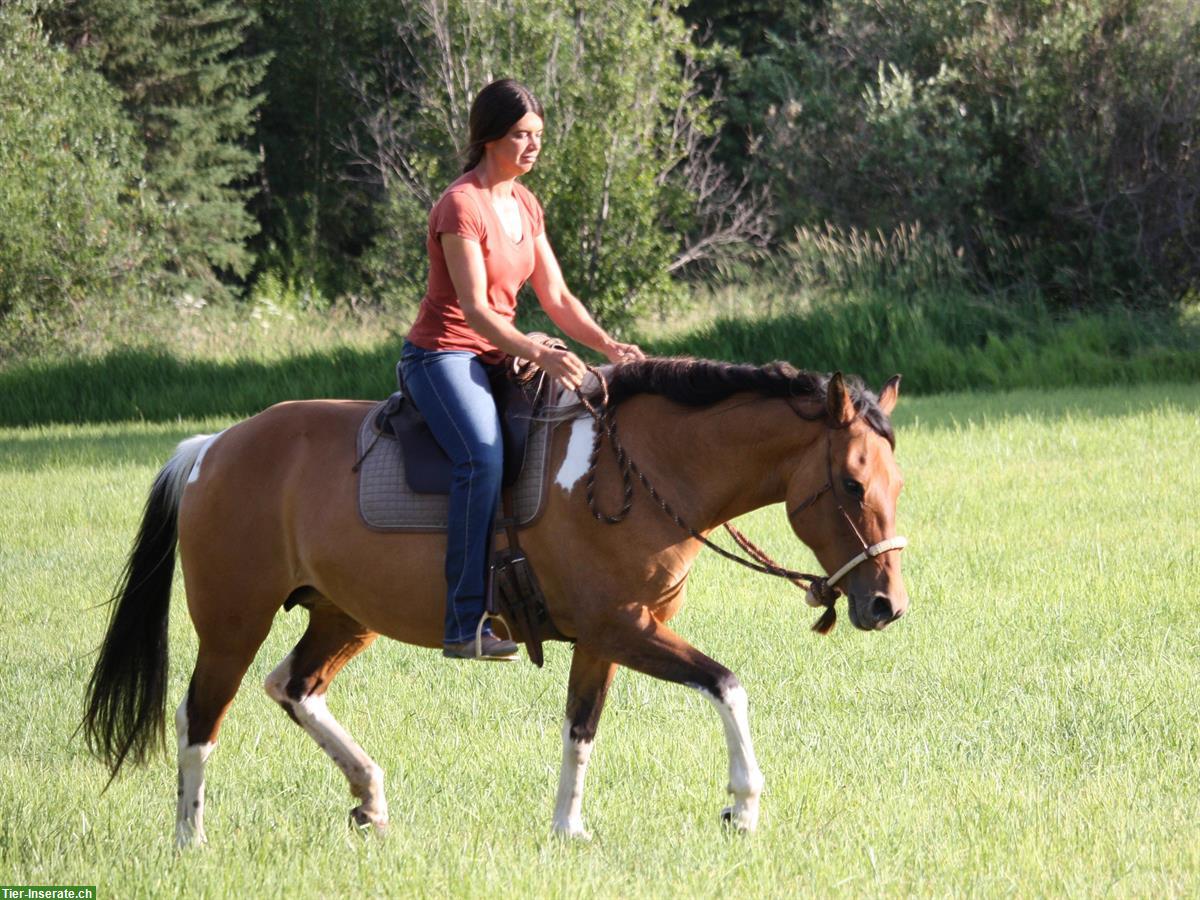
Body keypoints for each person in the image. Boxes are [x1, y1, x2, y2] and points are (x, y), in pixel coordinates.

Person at [400, 78, 644, 661]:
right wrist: (542, 353)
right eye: (520, 136)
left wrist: (608, 344)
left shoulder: (525, 203)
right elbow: (477, 310)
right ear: (488, 138)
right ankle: (463, 623)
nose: (533, 147)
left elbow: (556, 297)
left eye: (537, 135)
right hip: (444, 355)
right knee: (481, 454)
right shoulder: (460, 205)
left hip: (499, 352)